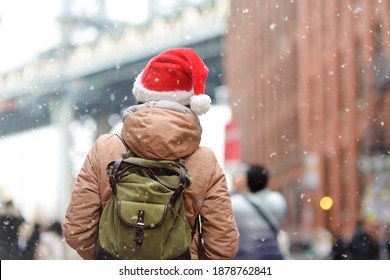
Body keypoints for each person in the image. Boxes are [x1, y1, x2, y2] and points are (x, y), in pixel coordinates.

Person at [63, 47, 239, 260]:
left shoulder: (105, 149)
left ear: (141, 96)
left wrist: (110, 258)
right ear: (190, 103)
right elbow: (223, 246)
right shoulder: (204, 161)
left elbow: (77, 231)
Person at [231, 164, 287, 259]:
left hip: (245, 258)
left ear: (247, 182)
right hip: (272, 255)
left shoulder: (236, 204)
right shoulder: (278, 201)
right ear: (267, 181)